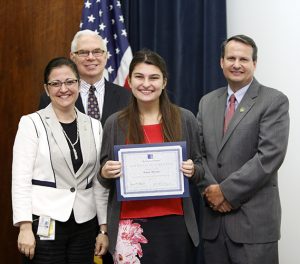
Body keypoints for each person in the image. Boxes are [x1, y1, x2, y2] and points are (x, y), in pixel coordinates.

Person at [98, 49, 204, 264]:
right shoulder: (115, 122)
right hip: (130, 226)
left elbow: (201, 168)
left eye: (154, 77)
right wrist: (105, 171)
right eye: (139, 76)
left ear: (164, 82)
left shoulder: (185, 119)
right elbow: (103, 177)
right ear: (129, 80)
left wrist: (193, 170)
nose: (146, 84)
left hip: (175, 223)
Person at [197, 35, 289, 264]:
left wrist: (224, 192)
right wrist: (211, 191)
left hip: (253, 226)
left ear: (254, 64)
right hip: (213, 224)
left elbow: (268, 157)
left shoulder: (273, 101)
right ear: (221, 62)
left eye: (243, 59)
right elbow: (198, 155)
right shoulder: (206, 102)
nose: (236, 64)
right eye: (231, 58)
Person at [12, 57, 109, 264]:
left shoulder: (94, 125)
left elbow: (98, 183)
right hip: (45, 221)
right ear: (47, 89)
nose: (63, 89)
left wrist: (103, 228)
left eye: (70, 82)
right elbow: (20, 179)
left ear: (79, 84)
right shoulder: (31, 123)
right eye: (55, 84)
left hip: (85, 223)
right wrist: (25, 227)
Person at [39, 29, 131, 126]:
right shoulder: (52, 98)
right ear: (72, 57)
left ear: (106, 56)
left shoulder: (126, 97)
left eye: (97, 52)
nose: (91, 57)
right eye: (83, 52)